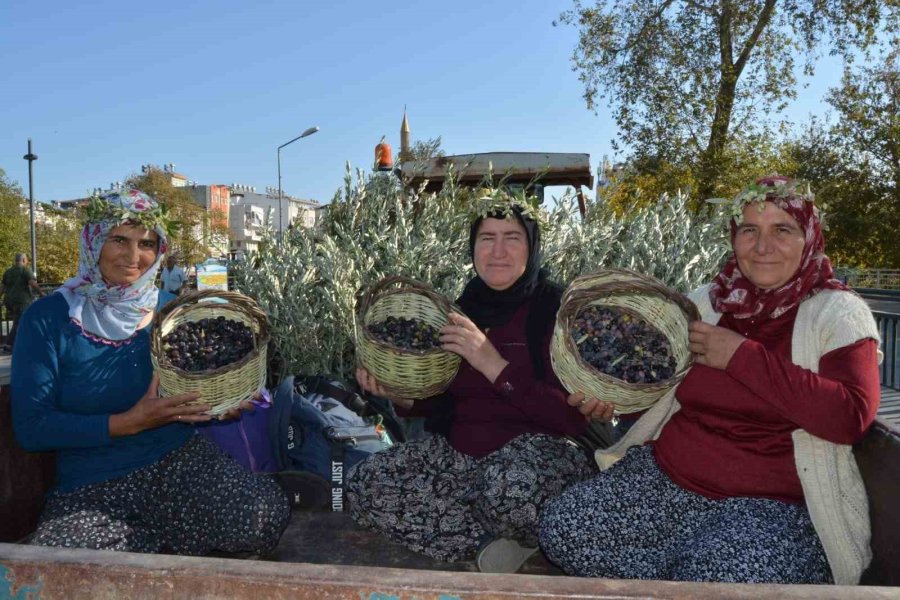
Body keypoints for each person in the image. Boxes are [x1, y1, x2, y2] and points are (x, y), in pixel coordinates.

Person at [539, 176, 881, 585]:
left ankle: (680, 580)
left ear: (808, 238)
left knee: (718, 574)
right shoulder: (709, 301)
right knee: (563, 528)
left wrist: (741, 356)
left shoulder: (838, 312)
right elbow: (662, 386)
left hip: (773, 508)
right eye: (750, 230)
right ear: (734, 238)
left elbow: (850, 418)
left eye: (782, 230)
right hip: (668, 480)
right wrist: (616, 404)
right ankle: (678, 581)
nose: (763, 246)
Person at [11, 188, 289, 556]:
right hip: (92, 483)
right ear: (93, 241)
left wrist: (219, 405)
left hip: (176, 462)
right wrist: (127, 422)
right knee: (65, 561)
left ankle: (149, 549)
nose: (133, 257)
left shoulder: (173, 313)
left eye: (147, 243)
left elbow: (196, 387)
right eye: (119, 240)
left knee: (262, 516)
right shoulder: (48, 318)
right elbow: (32, 428)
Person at [348, 195, 615, 573]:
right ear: (473, 248)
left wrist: (491, 361)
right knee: (366, 483)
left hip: (539, 460)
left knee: (508, 491)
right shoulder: (462, 309)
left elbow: (572, 419)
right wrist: (400, 395)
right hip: (466, 456)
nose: (498, 251)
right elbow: (444, 400)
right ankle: (491, 544)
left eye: (513, 237)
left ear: (533, 245)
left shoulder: (556, 310)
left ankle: (501, 526)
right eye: (487, 238)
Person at [1, 253, 42, 352]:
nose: (27, 261)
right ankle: (9, 345)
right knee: (20, 322)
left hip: (9, 302)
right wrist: (41, 293)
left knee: (19, 321)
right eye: (26, 259)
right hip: (22, 301)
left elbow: (2, 287)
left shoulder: (8, 271)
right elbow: (32, 283)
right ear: (23, 260)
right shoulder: (25, 270)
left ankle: (22, 343)